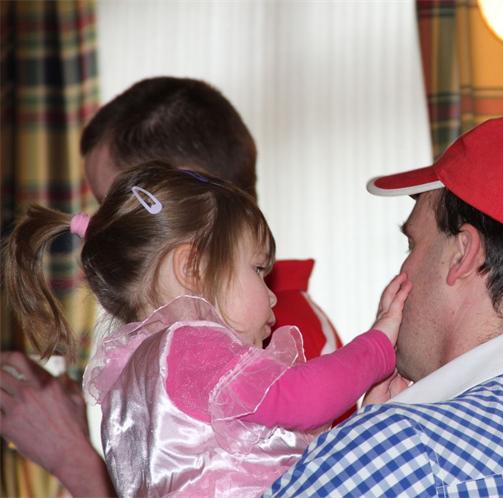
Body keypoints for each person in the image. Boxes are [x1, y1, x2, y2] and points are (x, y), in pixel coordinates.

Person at [0, 77, 349, 497]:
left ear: (192, 192)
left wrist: (72, 459)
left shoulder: (283, 341)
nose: (104, 233)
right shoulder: (172, 342)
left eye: (123, 204)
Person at [266, 115, 503, 496]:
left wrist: (363, 437)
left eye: (412, 244)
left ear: (462, 254)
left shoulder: (403, 451)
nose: (403, 269)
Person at [3, 163, 411, 497]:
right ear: (193, 268)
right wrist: (378, 345)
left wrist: (367, 421)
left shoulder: (132, 375)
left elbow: (287, 459)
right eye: (257, 269)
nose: (272, 296)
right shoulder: (188, 346)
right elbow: (302, 399)